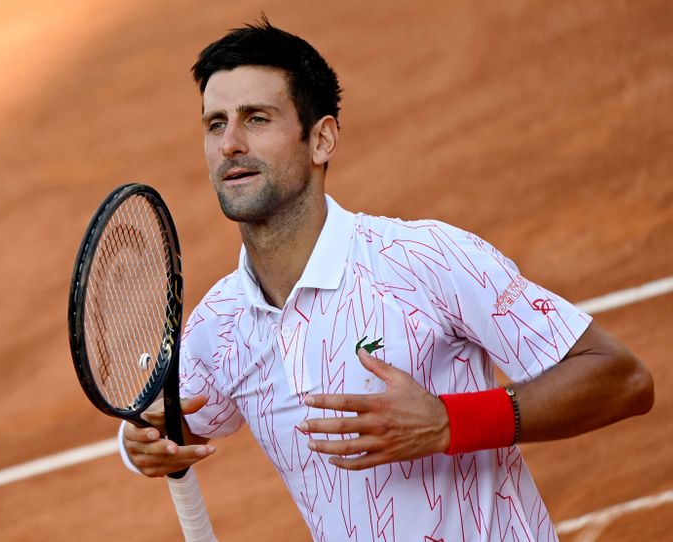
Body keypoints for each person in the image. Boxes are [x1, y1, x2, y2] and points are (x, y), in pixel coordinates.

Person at [118, 18, 654, 541]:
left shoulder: (425, 259)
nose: (230, 143)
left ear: (321, 139)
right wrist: (137, 442)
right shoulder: (221, 324)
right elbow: (169, 427)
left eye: (256, 118)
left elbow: (621, 378)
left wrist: (448, 421)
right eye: (216, 123)